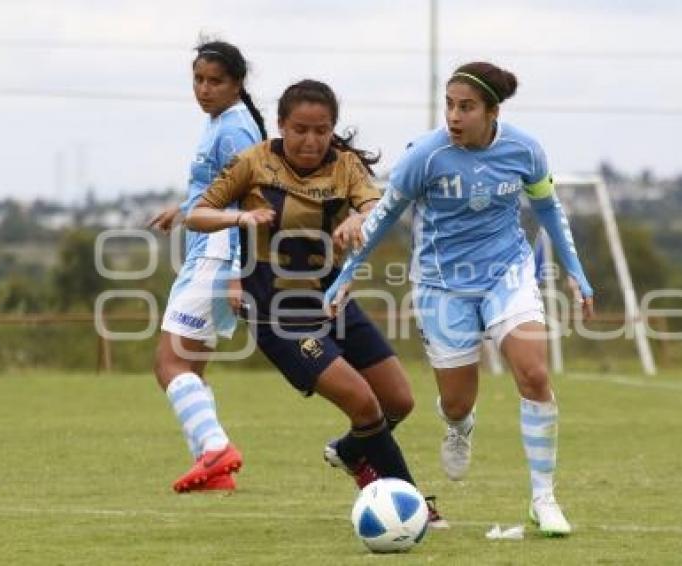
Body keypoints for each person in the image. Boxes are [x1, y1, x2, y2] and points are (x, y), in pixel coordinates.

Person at [325, 62, 594, 536]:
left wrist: (576, 273)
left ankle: (544, 497)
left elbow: (548, 206)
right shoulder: (425, 157)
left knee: (533, 373)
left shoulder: (525, 150)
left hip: (507, 273)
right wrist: (347, 274)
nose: (454, 115)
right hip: (440, 284)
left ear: (492, 112)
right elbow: (384, 216)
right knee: (455, 401)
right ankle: (459, 425)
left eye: (466, 107)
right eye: (449, 104)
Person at [185, 79, 446, 526]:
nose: (310, 140)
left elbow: (376, 207)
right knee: (363, 405)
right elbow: (197, 213)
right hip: (278, 311)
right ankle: (412, 504)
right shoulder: (253, 162)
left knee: (398, 401)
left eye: (321, 130)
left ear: (332, 129)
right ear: (282, 126)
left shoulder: (344, 166)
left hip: (331, 301)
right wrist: (241, 216)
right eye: (300, 129)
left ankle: (349, 451)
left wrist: (359, 220)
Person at [149, 40, 267, 493]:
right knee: (191, 368)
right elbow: (220, 190)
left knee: (169, 364)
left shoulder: (234, 130)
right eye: (198, 79)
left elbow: (249, 202)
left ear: (237, 84)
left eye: (215, 81)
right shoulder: (223, 123)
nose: (204, 88)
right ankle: (212, 470)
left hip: (218, 255)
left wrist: (237, 272)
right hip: (215, 251)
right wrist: (182, 208)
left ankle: (215, 448)